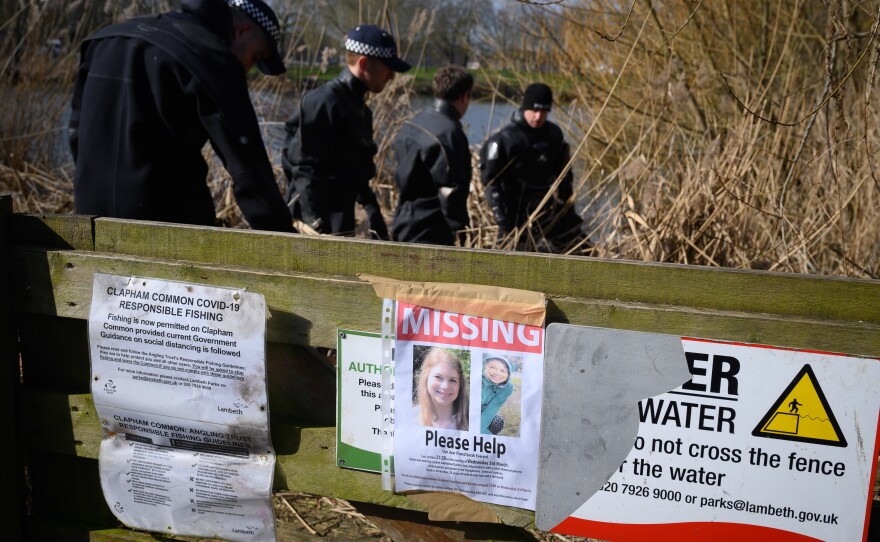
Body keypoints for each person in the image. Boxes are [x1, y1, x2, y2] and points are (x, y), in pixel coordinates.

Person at [70, 0, 294, 232]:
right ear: (242, 31)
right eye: (256, 56)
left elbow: (77, 134)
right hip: (168, 229)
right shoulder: (212, 58)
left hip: (91, 221)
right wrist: (287, 244)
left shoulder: (105, 39)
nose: (248, 67)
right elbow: (249, 170)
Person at [283, 24, 411, 239]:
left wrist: (373, 212)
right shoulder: (323, 102)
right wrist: (316, 225)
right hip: (310, 223)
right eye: (387, 67)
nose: (391, 76)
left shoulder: (361, 110)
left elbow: (356, 171)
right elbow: (305, 169)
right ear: (364, 63)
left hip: (340, 218)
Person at [479, 83, 589, 251]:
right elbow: (490, 182)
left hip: (547, 210)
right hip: (515, 215)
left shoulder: (554, 135)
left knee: (581, 247)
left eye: (544, 111)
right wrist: (504, 223)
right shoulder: (504, 140)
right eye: (534, 111)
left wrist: (566, 209)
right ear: (524, 108)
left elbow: (565, 176)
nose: (538, 117)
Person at [391, 65, 474, 245]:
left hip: (402, 219)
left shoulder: (412, 123)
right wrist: (459, 233)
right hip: (433, 229)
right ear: (464, 96)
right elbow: (453, 192)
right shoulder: (451, 133)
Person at [416, 347, 469, 431]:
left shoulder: (470, 423)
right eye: (438, 377)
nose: (445, 386)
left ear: (460, 385)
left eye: (452, 380)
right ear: (426, 378)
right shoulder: (410, 419)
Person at [480, 355, 515, 435]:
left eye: (503, 370)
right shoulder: (476, 377)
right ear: (485, 366)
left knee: (498, 421)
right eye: (492, 367)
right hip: (466, 411)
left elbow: (491, 410)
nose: (497, 373)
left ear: (508, 374)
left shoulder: (507, 388)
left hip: (484, 412)